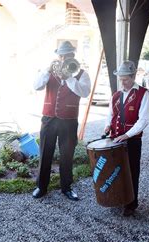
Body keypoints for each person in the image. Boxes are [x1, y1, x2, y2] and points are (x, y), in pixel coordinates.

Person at [32, 41, 91, 200]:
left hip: (69, 120)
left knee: (67, 155)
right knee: (45, 154)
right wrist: (46, 70)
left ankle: (67, 187)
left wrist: (69, 78)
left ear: (73, 55)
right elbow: (36, 86)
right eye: (62, 55)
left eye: (68, 55)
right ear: (58, 55)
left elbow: (84, 92)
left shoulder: (81, 74)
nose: (64, 58)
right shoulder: (49, 71)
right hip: (49, 119)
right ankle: (41, 186)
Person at [104, 60, 149, 216]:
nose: (122, 82)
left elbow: (143, 120)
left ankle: (131, 203)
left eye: (125, 79)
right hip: (115, 139)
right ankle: (118, 199)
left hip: (132, 141)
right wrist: (107, 126)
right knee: (116, 172)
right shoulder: (116, 95)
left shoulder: (143, 93)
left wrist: (127, 135)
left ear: (133, 76)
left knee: (131, 172)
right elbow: (110, 114)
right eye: (121, 79)